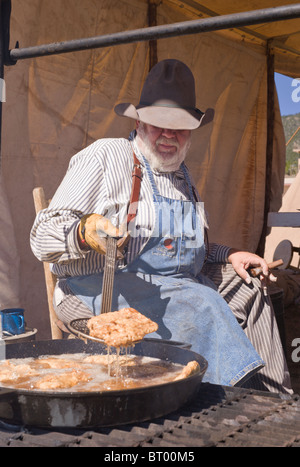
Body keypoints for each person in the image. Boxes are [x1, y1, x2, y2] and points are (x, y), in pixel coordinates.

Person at [30, 59, 292, 393]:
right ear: (139, 121)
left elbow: (186, 249)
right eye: (158, 123)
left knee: (250, 287)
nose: (169, 135)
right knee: (203, 303)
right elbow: (41, 235)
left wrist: (231, 256)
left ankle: (273, 397)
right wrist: (83, 231)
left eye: (179, 126)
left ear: (192, 130)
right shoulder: (107, 156)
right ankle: (220, 404)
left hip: (178, 284)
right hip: (98, 287)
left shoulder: (182, 174)